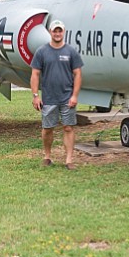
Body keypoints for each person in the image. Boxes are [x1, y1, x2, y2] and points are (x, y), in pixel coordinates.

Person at [30, 20, 84, 170]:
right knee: (48, 129)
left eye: (60, 31)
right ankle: (47, 156)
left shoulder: (71, 52)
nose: (57, 33)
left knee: (68, 128)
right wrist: (35, 95)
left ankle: (68, 160)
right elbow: (35, 74)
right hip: (49, 98)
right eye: (55, 31)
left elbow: (78, 74)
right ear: (50, 32)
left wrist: (74, 96)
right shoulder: (42, 52)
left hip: (67, 98)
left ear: (63, 32)